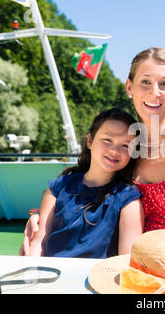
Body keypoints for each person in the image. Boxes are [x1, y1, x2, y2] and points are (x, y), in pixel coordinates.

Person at [22, 47, 165, 263]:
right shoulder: (124, 153)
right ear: (129, 87)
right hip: (138, 271)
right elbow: (86, 191)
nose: (155, 91)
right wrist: (42, 219)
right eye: (145, 82)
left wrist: (162, 260)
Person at [20, 108, 144, 258]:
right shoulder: (59, 187)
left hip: (98, 278)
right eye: (107, 140)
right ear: (90, 141)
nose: (115, 150)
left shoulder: (128, 199)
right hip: (54, 274)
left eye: (126, 145)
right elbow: (39, 242)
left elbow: (127, 259)